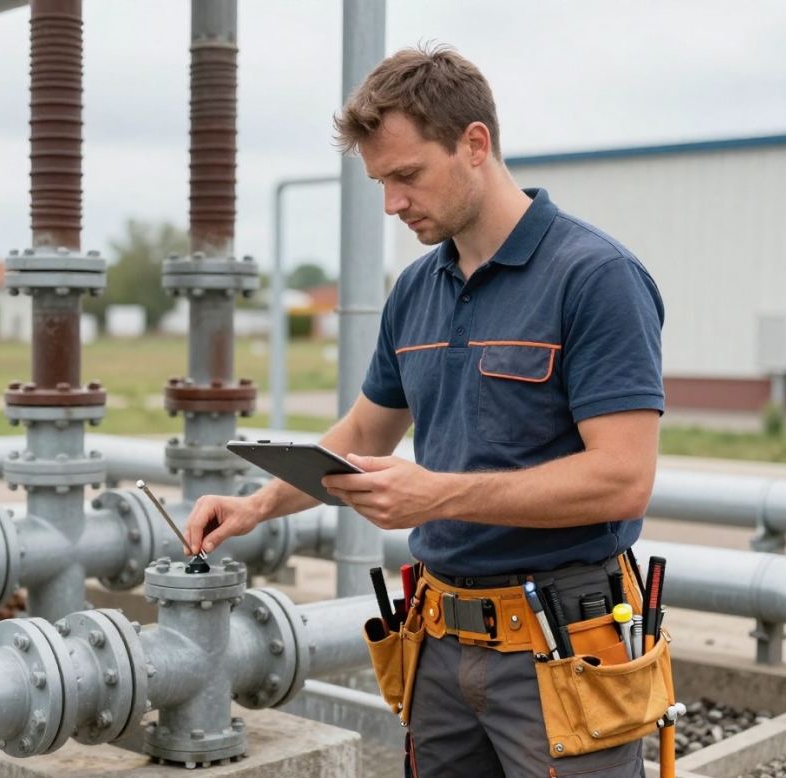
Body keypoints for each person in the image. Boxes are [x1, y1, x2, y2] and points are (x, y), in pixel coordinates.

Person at [186, 44, 664, 777]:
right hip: (438, 646)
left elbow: (622, 480)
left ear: (475, 144)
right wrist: (257, 506)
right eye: (381, 181)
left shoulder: (596, 279)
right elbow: (362, 433)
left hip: (565, 651)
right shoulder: (416, 289)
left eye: (407, 175)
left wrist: (439, 493)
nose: (392, 203)